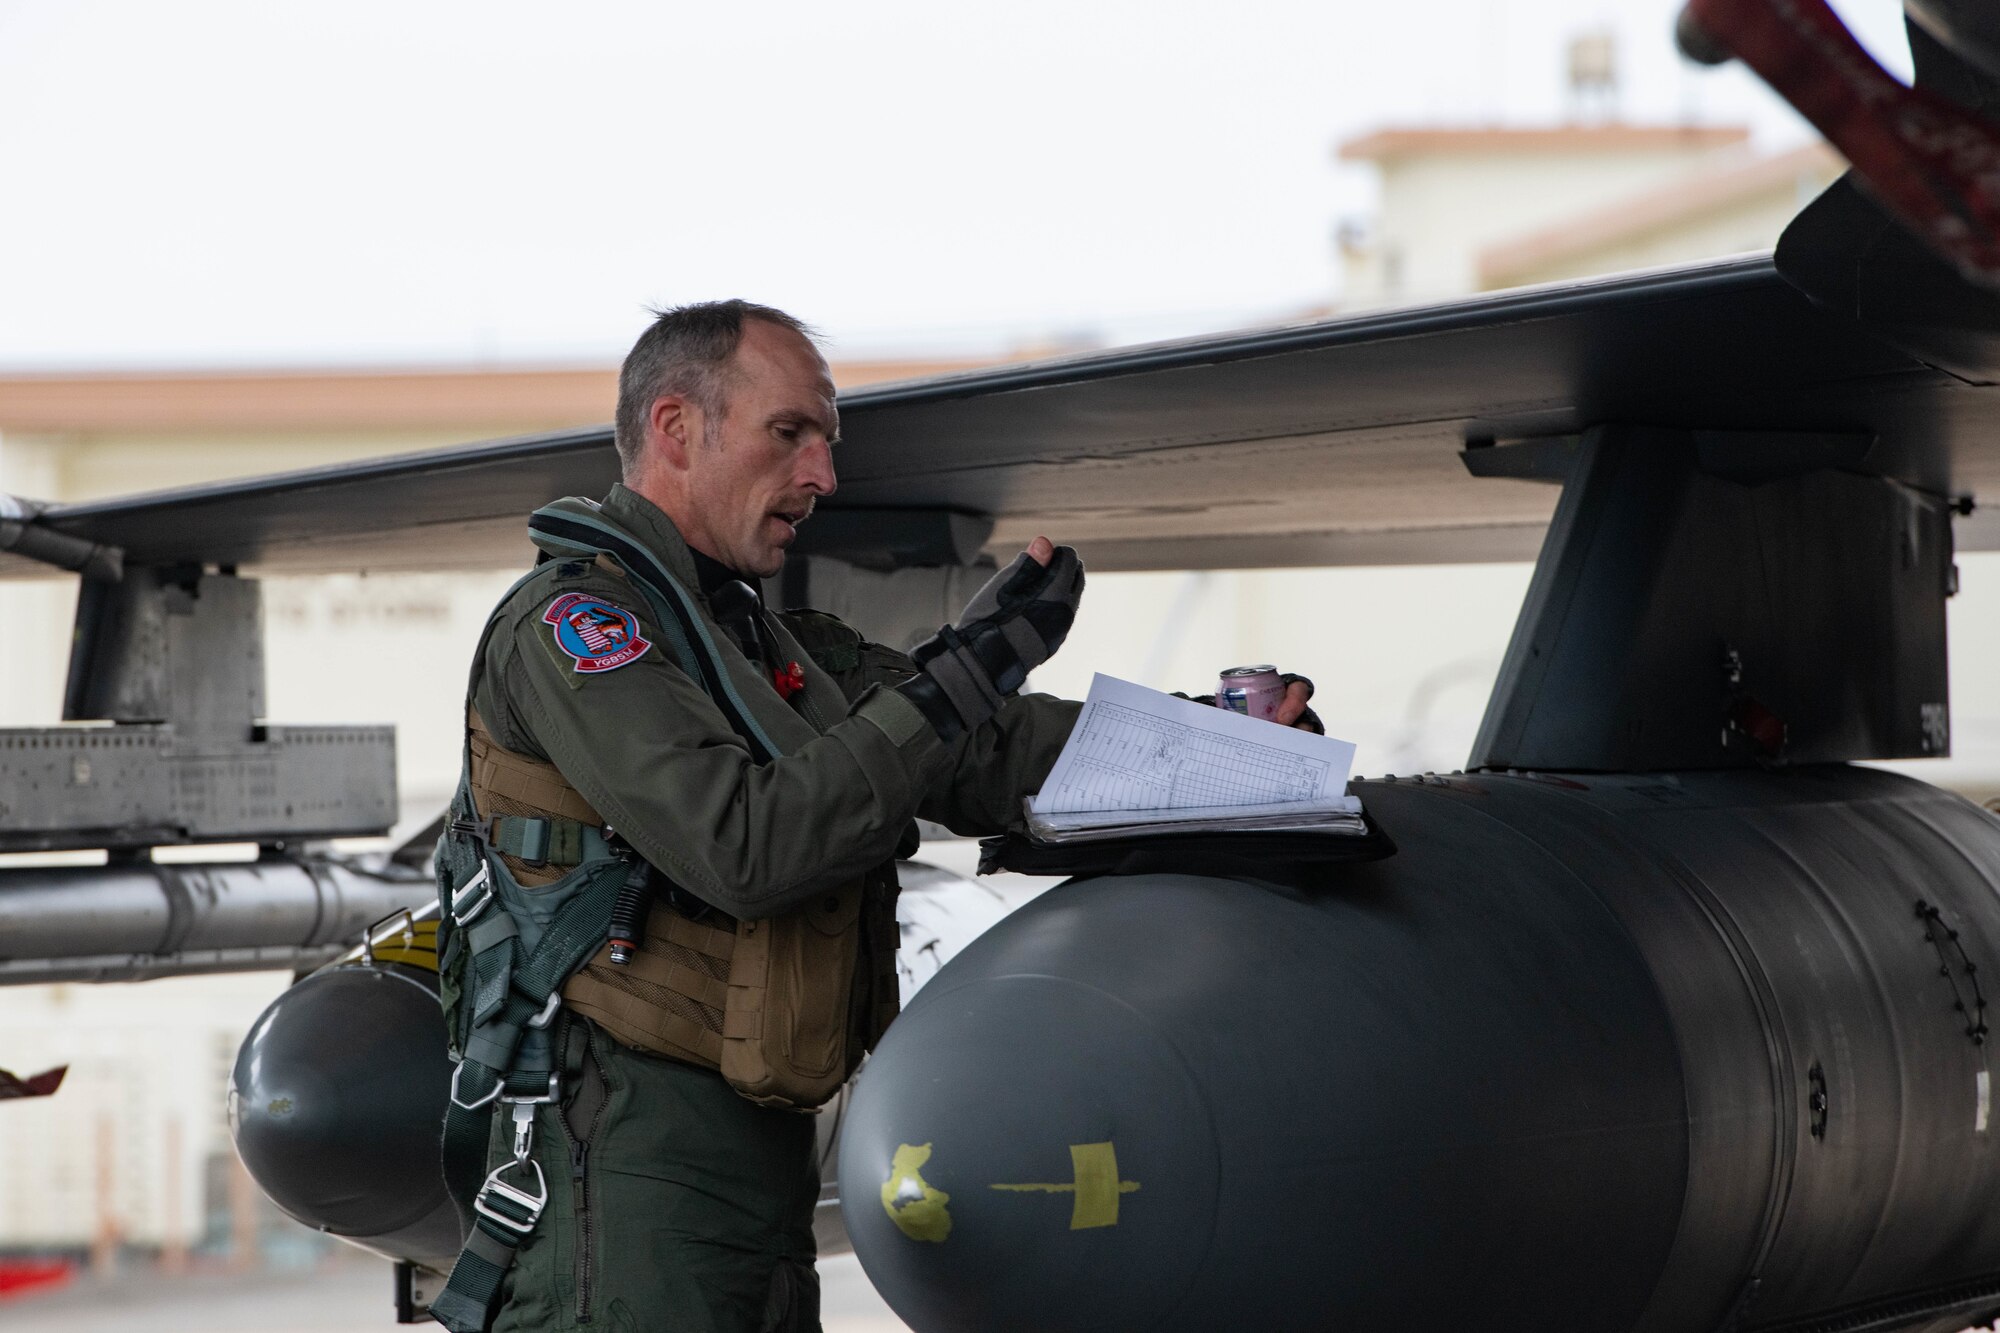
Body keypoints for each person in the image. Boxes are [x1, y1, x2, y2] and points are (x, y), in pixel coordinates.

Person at [446, 300, 1317, 1333]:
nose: (821, 476)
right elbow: (745, 844)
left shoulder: (771, 647)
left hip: (751, 1165)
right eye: (789, 435)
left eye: (826, 442)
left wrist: (1226, 744)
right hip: (619, 1172)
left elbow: (988, 752)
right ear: (676, 429)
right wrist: (958, 678)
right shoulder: (576, 630)